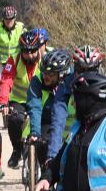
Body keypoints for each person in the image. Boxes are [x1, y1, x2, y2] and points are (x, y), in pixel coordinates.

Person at [44, 45, 106, 162]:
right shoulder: (65, 86)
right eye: (81, 71)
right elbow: (58, 120)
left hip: (98, 142)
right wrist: (52, 155)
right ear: (75, 69)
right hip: (69, 140)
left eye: (92, 71)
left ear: (98, 69)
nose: (87, 75)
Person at [0, 28, 47, 169]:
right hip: (20, 101)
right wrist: (3, 102)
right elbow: (6, 81)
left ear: (39, 48)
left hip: (41, 101)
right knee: (14, 119)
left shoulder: (47, 59)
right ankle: (16, 150)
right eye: (25, 51)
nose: (29, 55)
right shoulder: (14, 59)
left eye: (32, 51)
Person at [24, 48, 74, 183]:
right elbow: (34, 108)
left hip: (72, 123)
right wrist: (35, 132)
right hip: (45, 119)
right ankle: (47, 176)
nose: (46, 76)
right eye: (44, 72)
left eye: (51, 74)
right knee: (41, 141)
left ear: (62, 74)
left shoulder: (72, 82)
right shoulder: (37, 81)